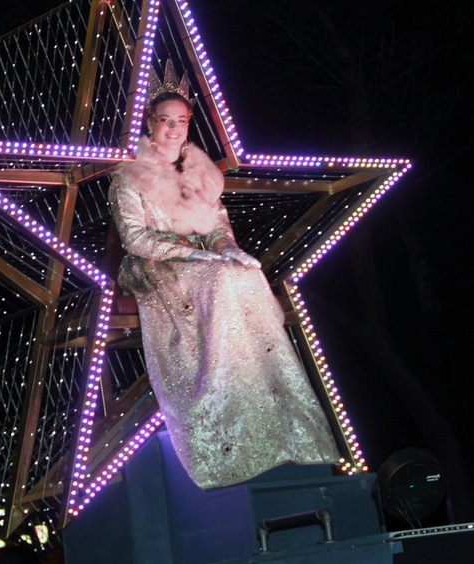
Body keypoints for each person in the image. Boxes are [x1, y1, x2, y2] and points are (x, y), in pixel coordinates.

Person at [109, 62, 340, 489]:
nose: (174, 129)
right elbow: (136, 237)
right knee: (220, 282)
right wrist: (191, 255)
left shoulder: (199, 174)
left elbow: (216, 227)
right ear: (150, 124)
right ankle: (217, 409)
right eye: (166, 121)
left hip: (204, 263)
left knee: (246, 277)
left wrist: (228, 250)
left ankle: (278, 416)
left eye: (181, 121)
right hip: (158, 265)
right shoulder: (129, 178)